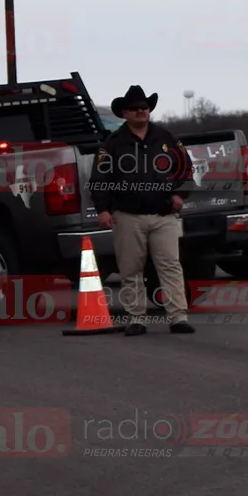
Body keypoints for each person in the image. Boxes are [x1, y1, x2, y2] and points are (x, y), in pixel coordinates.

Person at [89, 85, 196, 336]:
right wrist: (103, 210)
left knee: (170, 265)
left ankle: (178, 317)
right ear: (124, 113)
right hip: (127, 217)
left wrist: (181, 195)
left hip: (164, 215)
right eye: (135, 109)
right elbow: (99, 178)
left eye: (144, 108)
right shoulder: (112, 144)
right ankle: (136, 318)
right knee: (130, 269)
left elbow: (187, 170)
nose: (140, 112)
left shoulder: (167, 138)